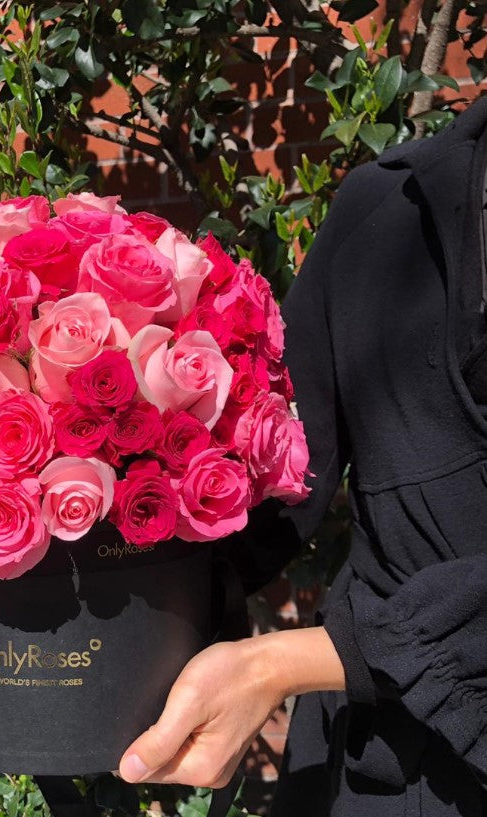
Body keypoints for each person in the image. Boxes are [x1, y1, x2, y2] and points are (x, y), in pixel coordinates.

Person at [118, 95, 487, 817]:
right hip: (379, 774)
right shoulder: (385, 207)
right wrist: (89, 578)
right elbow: (281, 478)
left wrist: (285, 664)